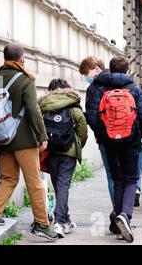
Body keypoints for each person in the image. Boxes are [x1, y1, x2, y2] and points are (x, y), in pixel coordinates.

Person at [0, 43, 58, 241]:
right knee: (34, 182)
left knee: (8, 178)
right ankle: (42, 223)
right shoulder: (25, 79)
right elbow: (33, 110)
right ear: (22, 58)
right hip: (24, 140)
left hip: (2, 138)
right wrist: (42, 136)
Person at [89, 56, 142, 243]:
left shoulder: (101, 89)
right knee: (131, 179)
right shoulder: (134, 89)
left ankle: (120, 220)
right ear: (127, 71)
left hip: (109, 142)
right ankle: (125, 216)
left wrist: (103, 135)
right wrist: (139, 133)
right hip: (131, 142)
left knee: (117, 179)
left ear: (110, 70)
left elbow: (92, 118)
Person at [38, 79, 88, 238]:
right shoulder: (74, 107)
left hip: (50, 151)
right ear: (67, 89)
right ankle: (59, 222)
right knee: (63, 186)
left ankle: (66, 220)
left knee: (59, 186)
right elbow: (83, 132)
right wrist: (77, 145)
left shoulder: (44, 106)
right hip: (68, 153)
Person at [79, 56, 116, 232]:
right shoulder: (121, 80)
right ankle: (125, 214)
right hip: (126, 138)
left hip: (105, 140)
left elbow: (92, 118)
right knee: (126, 177)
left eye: (87, 73)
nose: (87, 77)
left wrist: (99, 135)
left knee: (112, 177)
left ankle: (118, 214)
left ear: (95, 69)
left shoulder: (93, 88)